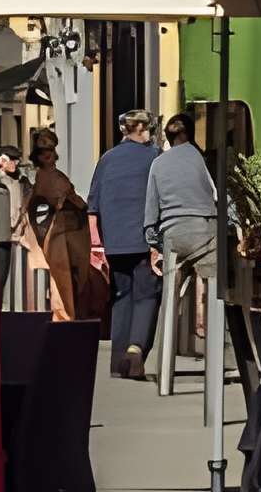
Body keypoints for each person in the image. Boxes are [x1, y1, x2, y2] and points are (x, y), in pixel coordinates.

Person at [144, 114, 222, 394]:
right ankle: (214, 368)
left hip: (173, 234)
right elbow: (218, 194)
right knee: (213, 295)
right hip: (204, 229)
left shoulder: (158, 163)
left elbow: (151, 207)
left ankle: (165, 379)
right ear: (191, 134)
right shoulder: (203, 159)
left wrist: (153, 240)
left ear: (166, 136)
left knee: (170, 298)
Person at [88, 110, 160, 378]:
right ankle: (135, 349)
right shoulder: (154, 158)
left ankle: (119, 363)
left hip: (114, 243)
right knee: (146, 296)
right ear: (143, 129)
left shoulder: (106, 160)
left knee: (121, 297)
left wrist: (97, 245)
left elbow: (92, 207)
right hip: (144, 241)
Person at [23, 129, 101, 324]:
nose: (47, 154)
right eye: (42, 150)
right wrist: (41, 229)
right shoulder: (45, 177)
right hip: (59, 232)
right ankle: (66, 315)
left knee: (77, 276)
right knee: (62, 277)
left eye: (50, 148)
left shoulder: (54, 175)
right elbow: (34, 204)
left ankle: (72, 314)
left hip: (73, 230)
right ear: (37, 155)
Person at [0, 148, 27, 309]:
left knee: (6, 277)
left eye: (16, 160)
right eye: (10, 160)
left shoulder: (20, 181)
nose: (14, 163)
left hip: (14, 235)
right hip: (0, 234)